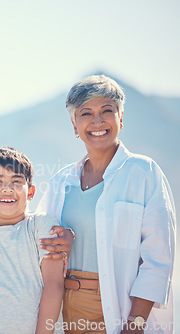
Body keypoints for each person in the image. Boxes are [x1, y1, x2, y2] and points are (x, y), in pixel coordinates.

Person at [37, 75, 176, 334]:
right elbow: (37, 241)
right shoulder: (59, 182)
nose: (97, 121)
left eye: (106, 111)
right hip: (61, 308)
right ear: (74, 125)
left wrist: (135, 324)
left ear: (120, 118)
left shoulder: (144, 172)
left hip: (117, 308)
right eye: (86, 113)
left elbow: (158, 259)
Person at [0, 147, 64, 334]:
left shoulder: (42, 226)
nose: (7, 188)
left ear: (30, 192)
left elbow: (53, 286)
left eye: (16, 181)